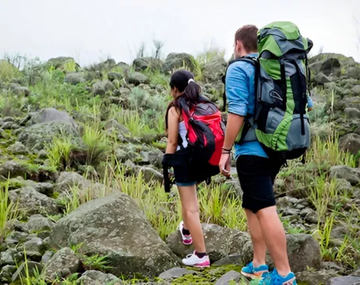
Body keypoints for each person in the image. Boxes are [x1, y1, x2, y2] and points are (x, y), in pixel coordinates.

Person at [219, 25, 298, 285]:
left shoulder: (238, 68)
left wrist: (226, 150)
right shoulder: (275, 68)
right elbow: (304, 102)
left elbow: (237, 112)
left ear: (238, 44)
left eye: (234, 46)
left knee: (264, 207)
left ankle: (284, 275)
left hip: (252, 151)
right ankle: (258, 264)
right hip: (276, 147)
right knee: (252, 205)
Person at [164, 70, 210, 268]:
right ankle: (187, 231)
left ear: (175, 89)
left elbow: (173, 141)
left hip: (185, 160)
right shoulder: (201, 104)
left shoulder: (175, 109)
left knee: (191, 208)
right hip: (203, 160)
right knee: (188, 197)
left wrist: (167, 162)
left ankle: (201, 255)